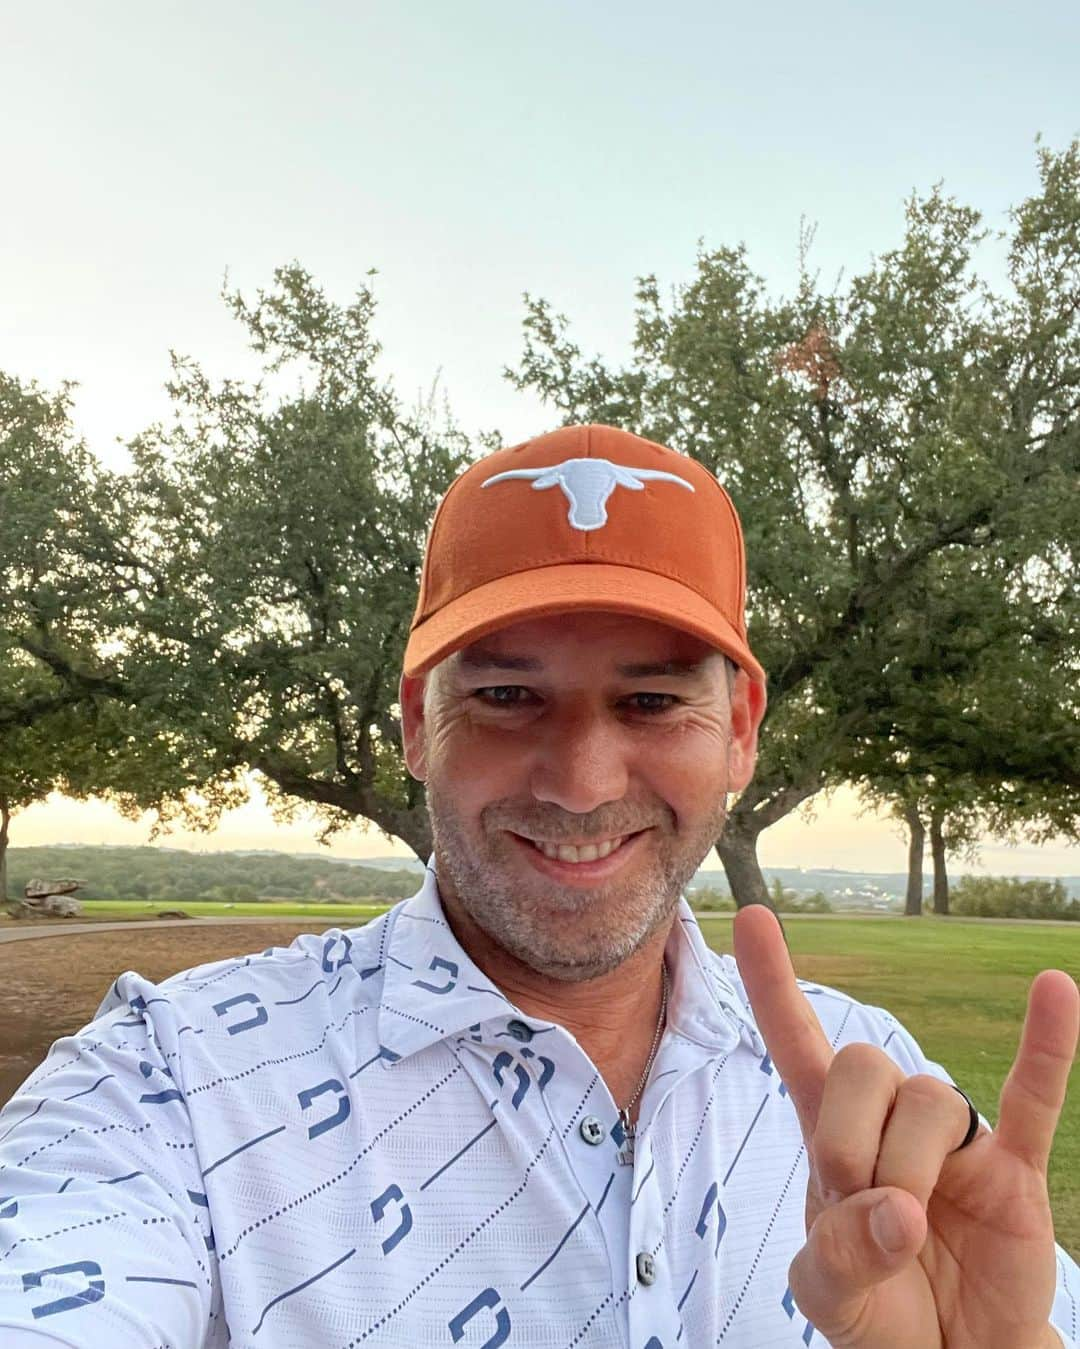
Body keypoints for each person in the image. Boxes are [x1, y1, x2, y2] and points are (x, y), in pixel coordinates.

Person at [0, 423, 1076, 1349]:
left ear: (741, 731)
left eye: (652, 702)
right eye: (509, 693)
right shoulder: (170, 1082)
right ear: (419, 722)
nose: (580, 783)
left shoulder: (882, 1098)